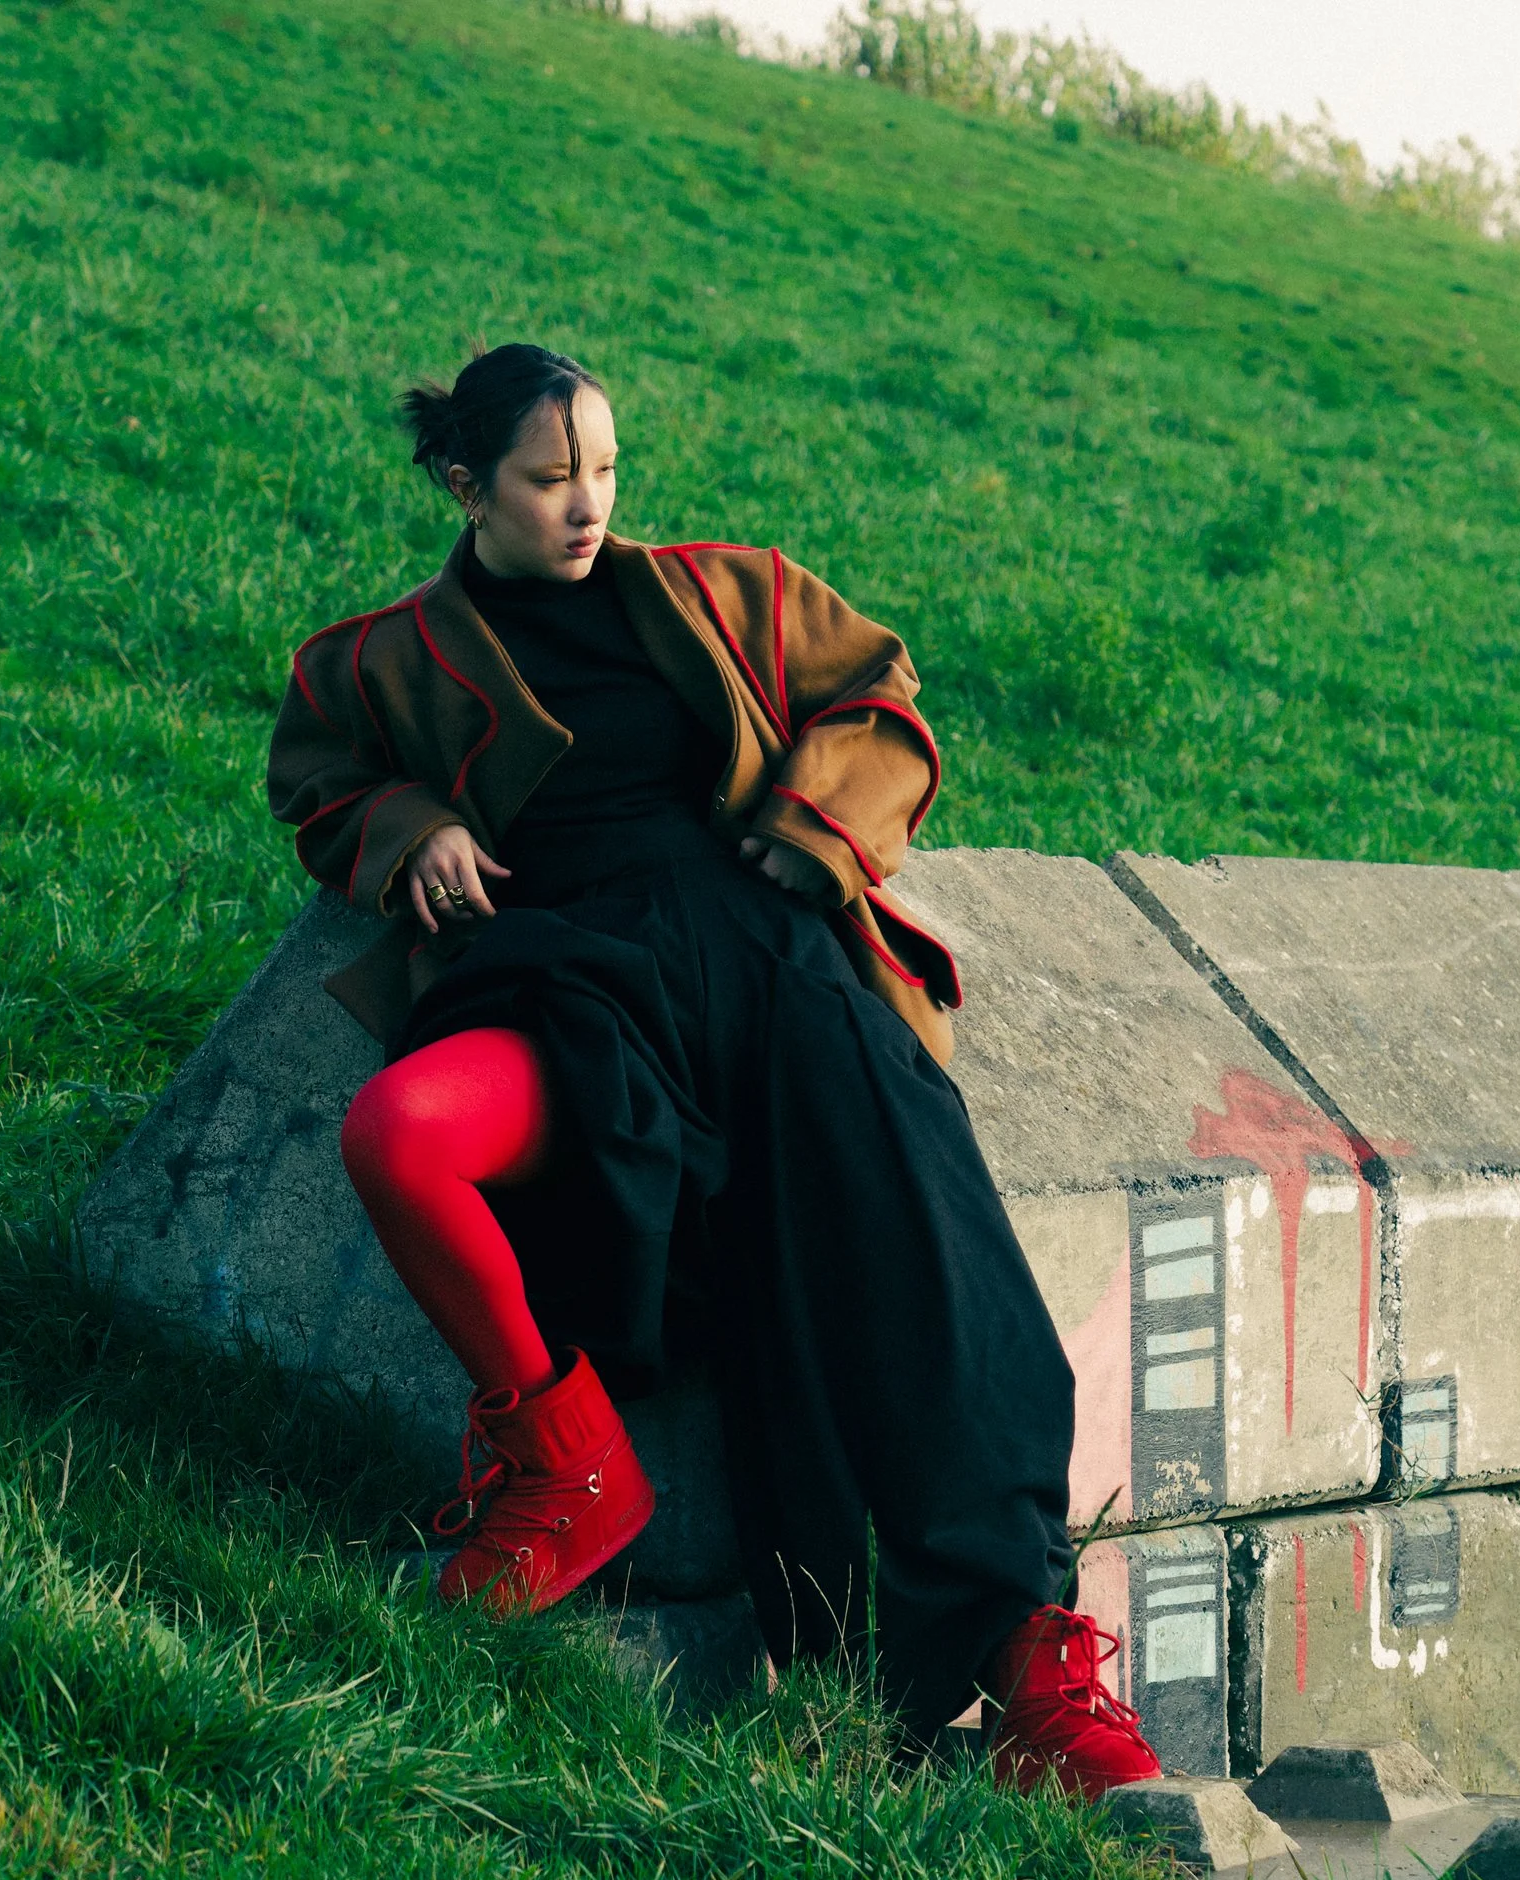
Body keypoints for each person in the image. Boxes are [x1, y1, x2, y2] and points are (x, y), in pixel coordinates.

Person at [267, 343, 1158, 1797]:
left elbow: (879, 691)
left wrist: (817, 830)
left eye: (604, 470)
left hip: (773, 971)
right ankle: (566, 1469)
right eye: (550, 480)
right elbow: (317, 774)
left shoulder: (722, 589)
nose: (587, 505)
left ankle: (1034, 1666)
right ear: (462, 485)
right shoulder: (384, 657)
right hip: (569, 983)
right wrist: (409, 824)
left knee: (928, 1247)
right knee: (400, 1132)